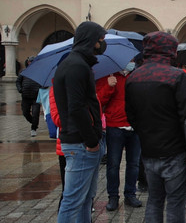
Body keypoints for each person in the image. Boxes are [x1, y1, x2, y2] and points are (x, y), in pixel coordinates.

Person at [125, 31, 186, 223]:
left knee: (154, 201)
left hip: (148, 150)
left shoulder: (133, 78)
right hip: (174, 151)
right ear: (170, 51)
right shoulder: (177, 76)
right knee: (175, 202)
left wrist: (146, 133)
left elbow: (131, 115)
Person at [54, 21, 107, 223]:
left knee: (86, 199)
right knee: (73, 200)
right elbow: (76, 107)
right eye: (100, 40)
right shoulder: (76, 65)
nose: (101, 45)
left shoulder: (77, 63)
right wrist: (92, 141)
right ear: (90, 40)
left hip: (82, 142)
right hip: (81, 143)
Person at [96, 60, 143, 212]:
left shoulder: (137, 76)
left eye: (131, 60)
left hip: (135, 126)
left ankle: (130, 194)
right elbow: (99, 101)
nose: (129, 63)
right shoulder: (108, 76)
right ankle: (113, 196)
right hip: (115, 126)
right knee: (113, 164)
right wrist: (109, 87)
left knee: (134, 164)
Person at [16, 57, 42, 136]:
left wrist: (40, 89)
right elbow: (18, 82)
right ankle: (34, 122)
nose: (31, 63)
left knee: (35, 113)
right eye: (30, 62)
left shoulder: (39, 72)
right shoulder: (24, 72)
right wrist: (20, 89)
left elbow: (43, 83)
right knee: (25, 113)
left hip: (36, 97)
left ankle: (33, 128)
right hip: (25, 97)